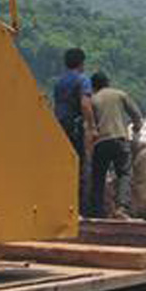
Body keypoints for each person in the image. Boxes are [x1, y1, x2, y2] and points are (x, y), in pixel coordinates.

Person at [90, 71, 143, 219]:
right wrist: (137, 127)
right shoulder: (120, 95)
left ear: (94, 86)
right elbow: (136, 115)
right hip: (120, 139)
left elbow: (90, 124)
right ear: (108, 82)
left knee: (98, 176)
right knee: (124, 173)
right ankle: (122, 208)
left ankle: (97, 211)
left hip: (101, 142)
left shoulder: (93, 100)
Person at [53, 48, 97, 216]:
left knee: (62, 167)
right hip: (74, 127)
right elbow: (85, 104)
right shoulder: (82, 80)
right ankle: (75, 209)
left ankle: (60, 206)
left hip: (59, 127)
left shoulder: (59, 82)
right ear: (81, 63)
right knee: (77, 165)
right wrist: (92, 127)